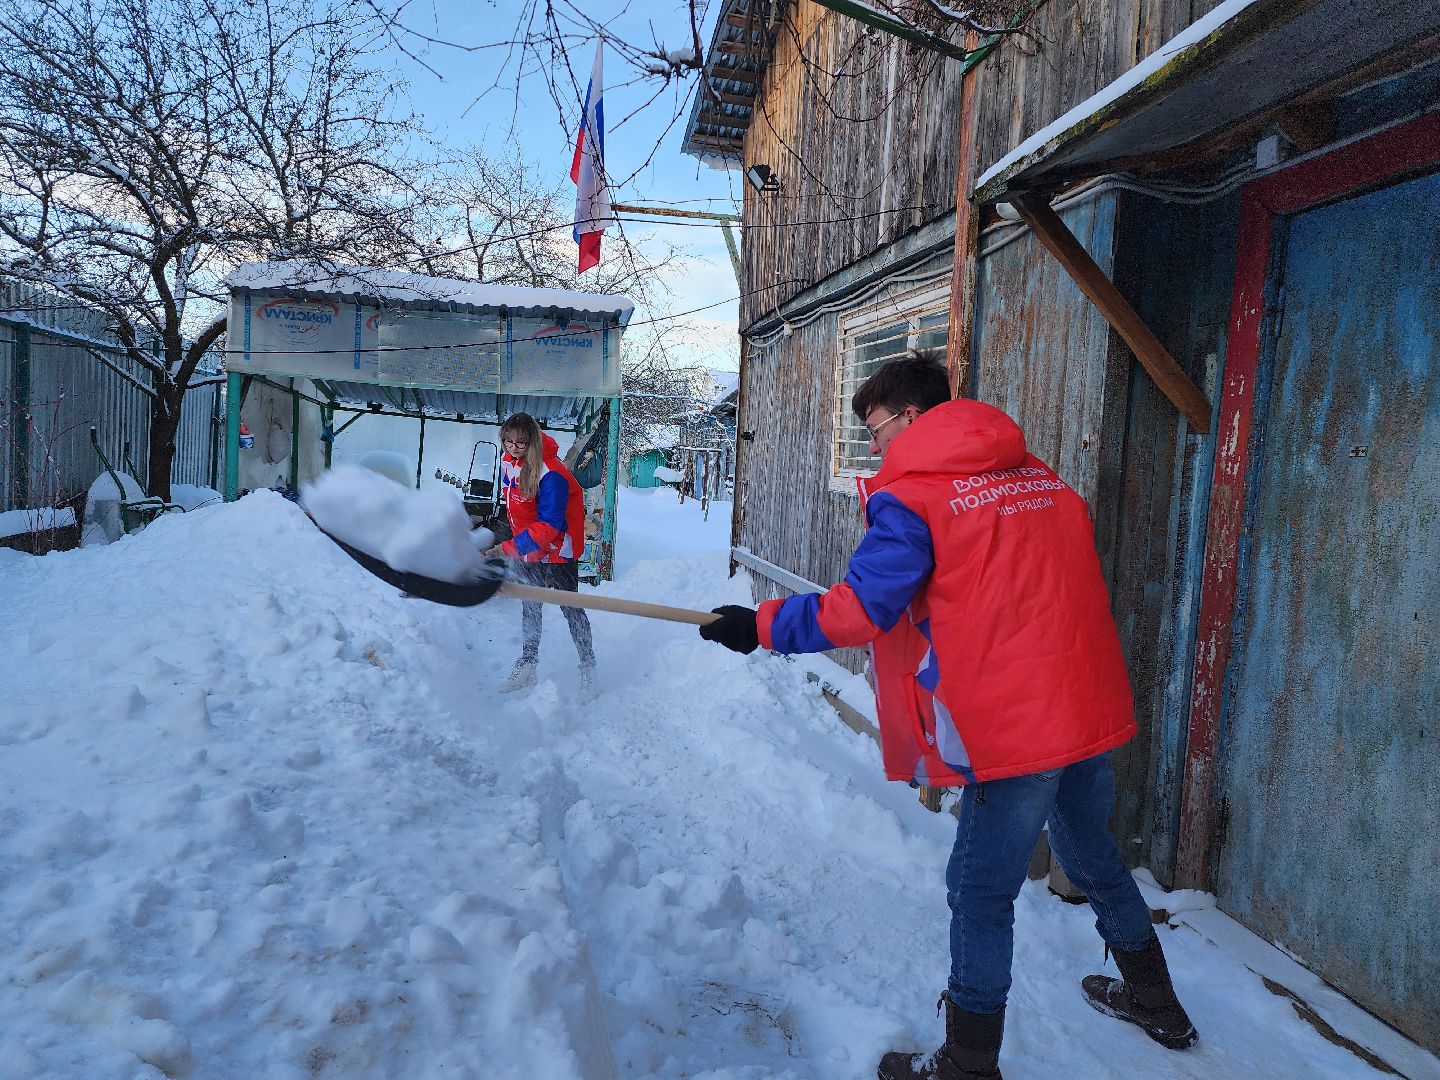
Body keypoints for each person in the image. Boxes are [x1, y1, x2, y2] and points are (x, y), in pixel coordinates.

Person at [698, 353, 1196, 1080]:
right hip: (1085, 704)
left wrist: (763, 625)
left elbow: (864, 607)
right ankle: (1158, 1002)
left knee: (979, 893)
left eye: (875, 428)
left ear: (912, 417)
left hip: (1015, 726)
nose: (874, 446)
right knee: (1091, 854)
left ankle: (967, 1063)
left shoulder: (915, 498)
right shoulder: (1041, 479)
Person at [493, 412, 597, 703]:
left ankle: (589, 670)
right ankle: (528, 665)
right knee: (530, 605)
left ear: (533, 441)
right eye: (508, 441)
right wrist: (514, 544)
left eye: (521, 442)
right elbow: (518, 511)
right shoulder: (508, 463)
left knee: (571, 608)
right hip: (532, 547)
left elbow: (550, 525)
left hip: (558, 547)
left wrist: (509, 548)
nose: (513, 447)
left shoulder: (551, 472)